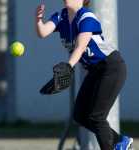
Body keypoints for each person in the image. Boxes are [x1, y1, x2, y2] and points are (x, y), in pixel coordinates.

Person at [36, 0, 133, 149]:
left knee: (96, 117)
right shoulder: (60, 17)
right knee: (80, 115)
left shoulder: (86, 17)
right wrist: (38, 20)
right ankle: (120, 140)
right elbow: (42, 32)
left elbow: (81, 47)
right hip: (95, 71)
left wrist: (68, 67)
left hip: (111, 68)